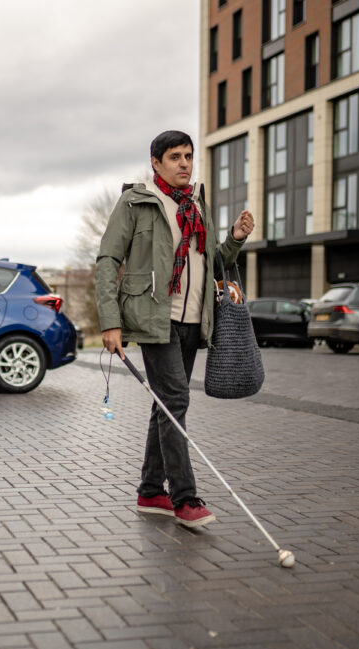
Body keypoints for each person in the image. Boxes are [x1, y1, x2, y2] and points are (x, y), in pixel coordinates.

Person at [95, 130, 254, 528]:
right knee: (176, 401)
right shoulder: (136, 202)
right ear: (156, 163)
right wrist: (111, 321)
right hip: (154, 319)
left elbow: (211, 260)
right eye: (175, 157)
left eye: (188, 156)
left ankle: (150, 491)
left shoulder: (198, 204)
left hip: (194, 318)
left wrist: (235, 239)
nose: (185, 163)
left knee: (165, 404)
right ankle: (185, 499)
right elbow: (107, 259)